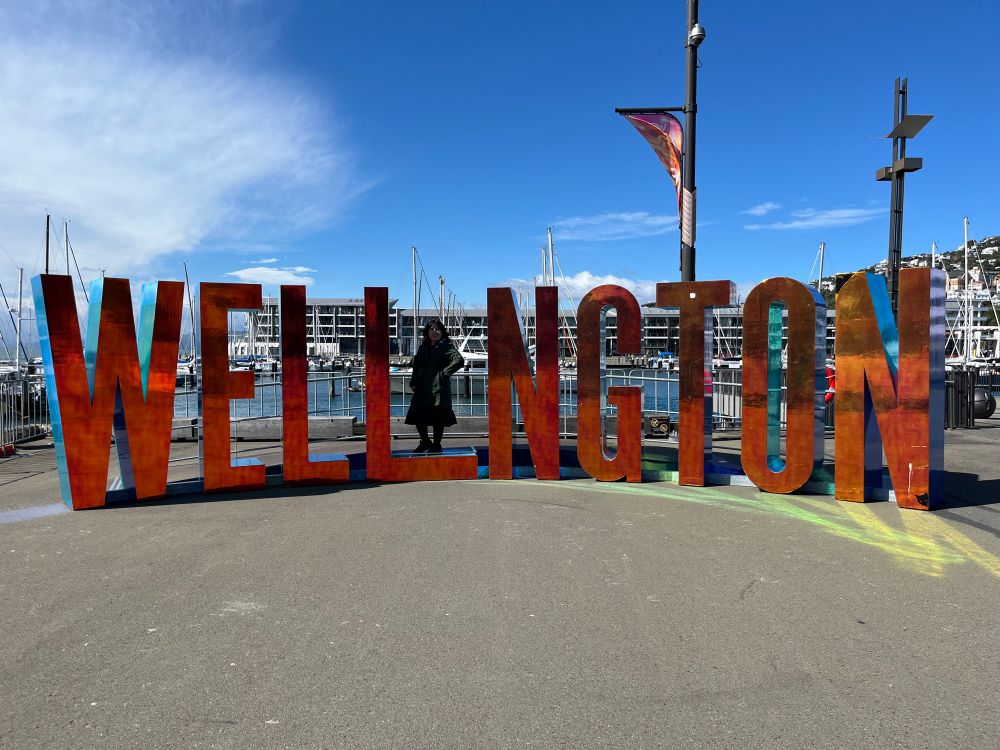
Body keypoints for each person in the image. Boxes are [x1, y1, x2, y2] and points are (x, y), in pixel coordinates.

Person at [405, 319, 464, 453]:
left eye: (438, 329)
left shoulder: (446, 347)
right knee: (418, 415)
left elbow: (459, 360)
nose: (434, 332)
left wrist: (444, 373)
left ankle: (437, 444)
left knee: (438, 418)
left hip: (439, 388)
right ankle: (425, 442)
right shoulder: (423, 347)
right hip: (422, 387)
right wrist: (413, 382)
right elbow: (417, 366)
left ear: (442, 332)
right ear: (427, 332)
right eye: (432, 329)